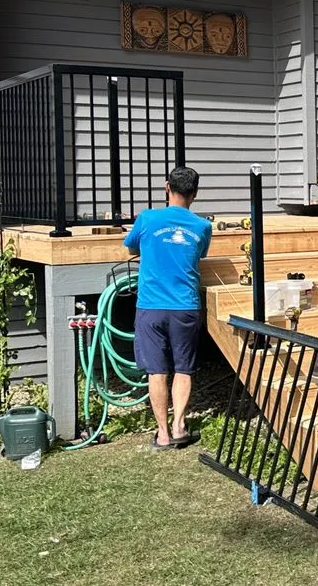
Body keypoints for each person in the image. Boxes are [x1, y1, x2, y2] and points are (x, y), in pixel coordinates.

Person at [124, 167, 213, 450]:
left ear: (167, 187)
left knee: (157, 372)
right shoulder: (202, 226)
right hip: (185, 306)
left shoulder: (148, 218)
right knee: (184, 369)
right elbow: (199, 255)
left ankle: (162, 433)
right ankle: (179, 427)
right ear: (195, 193)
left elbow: (129, 248)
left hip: (150, 306)